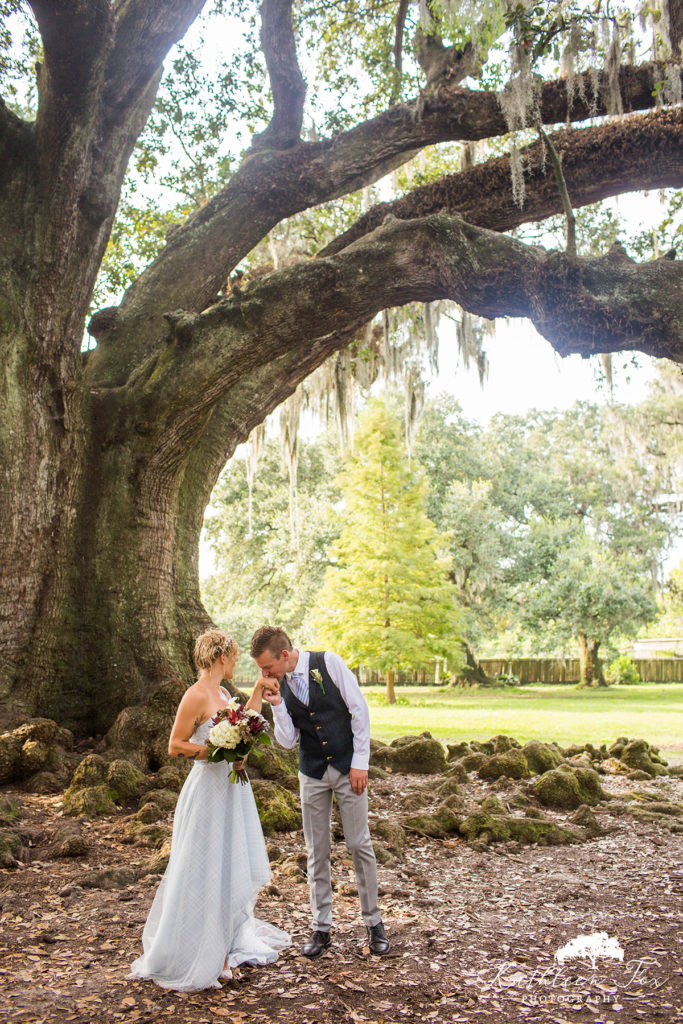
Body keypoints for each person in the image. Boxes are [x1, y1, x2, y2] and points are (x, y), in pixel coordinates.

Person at [128, 629, 291, 991]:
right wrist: (217, 751)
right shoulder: (196, 695)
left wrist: (257, 692)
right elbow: (175, 745)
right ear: (222, 657)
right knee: (203, 866)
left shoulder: (223, 694)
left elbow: (244, 725)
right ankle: (201, 951)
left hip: (231, 791)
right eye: (234, 657)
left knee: (227, 866)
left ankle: (223, 948)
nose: (236, 662)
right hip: (206, 792)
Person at [250, 625, 390, 958]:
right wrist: (277, 705)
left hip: (347, 767)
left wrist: (360, 763)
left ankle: (374, 923)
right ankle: (321, 928)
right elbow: (287, 741)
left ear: (285, 655)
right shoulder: (279, 685)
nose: (264, 674)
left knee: (359, 845)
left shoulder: (328, 663)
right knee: (316, 851)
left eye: (267, 667)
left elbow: (359, 710)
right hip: (311, 772)